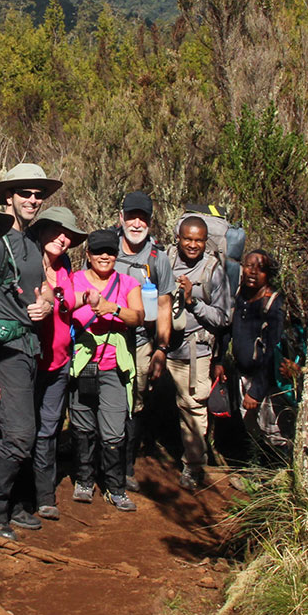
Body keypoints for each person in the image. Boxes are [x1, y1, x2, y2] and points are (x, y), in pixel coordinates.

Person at [0, 163, 60, 540]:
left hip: (28, 348)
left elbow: (46, 288)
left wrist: (47, 304)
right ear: (9, 196)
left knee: (17, 430)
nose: (33, 200)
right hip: (5, 351)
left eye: (38, 195)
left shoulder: (31, 242)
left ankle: (16, 505)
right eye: (25, 193)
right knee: (22, 433)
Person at [62, 228, 144, 511]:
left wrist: (113, 308)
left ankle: (115, 487)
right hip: (82, 366)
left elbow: (138, 318)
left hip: (113, 369)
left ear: (116, 255)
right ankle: (84, 481)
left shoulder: (128, 283)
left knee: (113, 431)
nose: (105, 256)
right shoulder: (74, 280)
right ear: (88, 255)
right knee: (82, 426)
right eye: (98, 251)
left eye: (110, 251)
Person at [26, 207, 88, 520]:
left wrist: (59, 296)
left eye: (69, 236)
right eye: (58, 231)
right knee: (19, 428)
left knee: (49, 428)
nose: (63, 239)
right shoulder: (26, 260)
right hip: (26, 361)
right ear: (41, 230)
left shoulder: (64, 264)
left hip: (60, 359)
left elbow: (73, 300)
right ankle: (11, 492)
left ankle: (43, 495)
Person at [113, 190, 174, 491]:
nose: (137, 223)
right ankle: (100, 465)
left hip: (140, 342)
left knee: (135, 403)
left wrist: (161, 348)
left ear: (151, 221)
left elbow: (164, 306)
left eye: (143, 218)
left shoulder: (157, 258)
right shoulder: (106, 247)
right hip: (105, 339)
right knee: (103, 398)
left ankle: (125, 468)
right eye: (132, 216)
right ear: (120, 217)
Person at [166, 216, 230, 490]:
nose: (193, 245)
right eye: (188, 239)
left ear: (206, 242)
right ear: (178, 238)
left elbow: (224, 318)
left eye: (199, 240)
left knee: (192, 407)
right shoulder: (164, 259)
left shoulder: (213, 271)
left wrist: (193, 303)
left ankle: (193, 466)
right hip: (160, 345)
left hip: (194, 351)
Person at [212, 249, 289, 454]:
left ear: (269, 274)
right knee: (253, 430)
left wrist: (256, 391)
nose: (252, 272)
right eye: (248, 266)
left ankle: (276, 477)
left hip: (265, 384)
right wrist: (219, 361)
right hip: (242, 376)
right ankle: (256, 474)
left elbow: (273, 352)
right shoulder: (240, 296)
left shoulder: (273, 305)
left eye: (260, 268)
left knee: (273, 434)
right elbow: (227, 330)